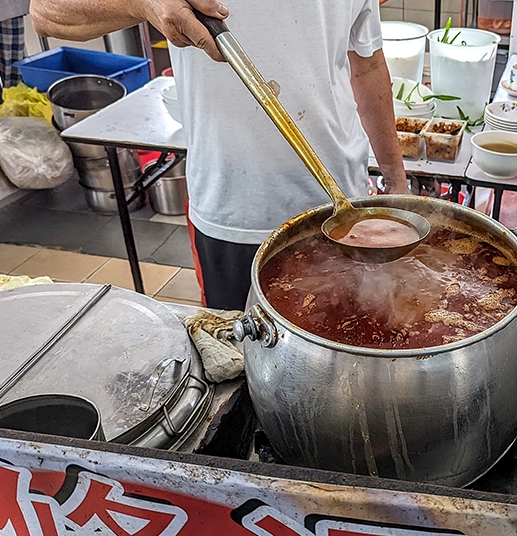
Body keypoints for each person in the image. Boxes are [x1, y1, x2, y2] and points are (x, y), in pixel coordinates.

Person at [30, 0, 408, 309]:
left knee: (345, 355)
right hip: (233, 209)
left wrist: (397, 181)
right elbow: (46, 13)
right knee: (239, 361)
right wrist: (142, 4)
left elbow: (368, 65)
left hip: (343, 209)